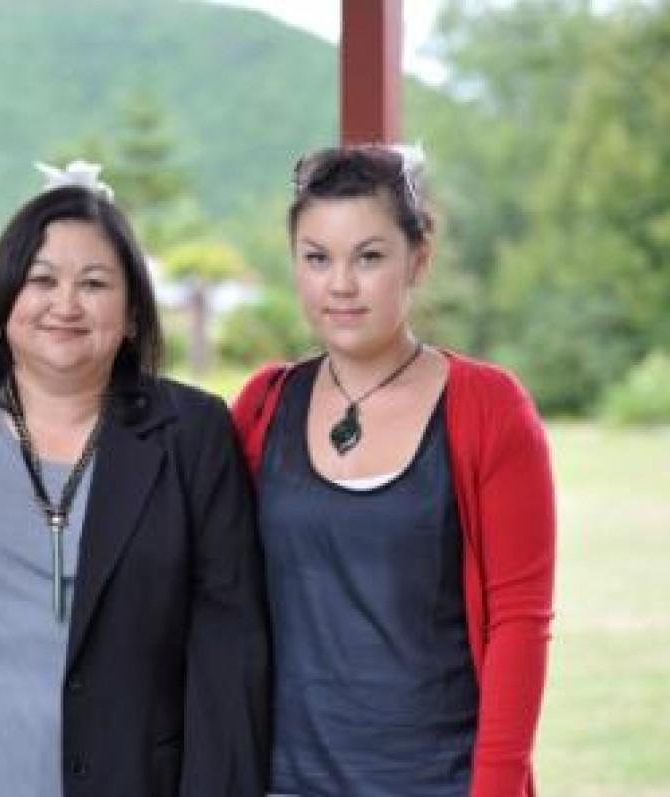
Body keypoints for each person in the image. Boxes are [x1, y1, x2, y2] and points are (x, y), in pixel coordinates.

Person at [0, 160, 268, 797]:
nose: (64, 304)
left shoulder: (192, 433)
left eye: (94, 283)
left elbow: (229, 650)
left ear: (130, 314)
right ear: (6, 296)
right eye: (41, 279)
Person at [232, 144, 556, 797]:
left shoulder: (489, 408)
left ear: (419, 258)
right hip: (285, 781)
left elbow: (520, 623)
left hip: (439, 780)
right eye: (317, 257)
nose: (340, 284)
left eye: (369, 256)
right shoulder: (263, 405)